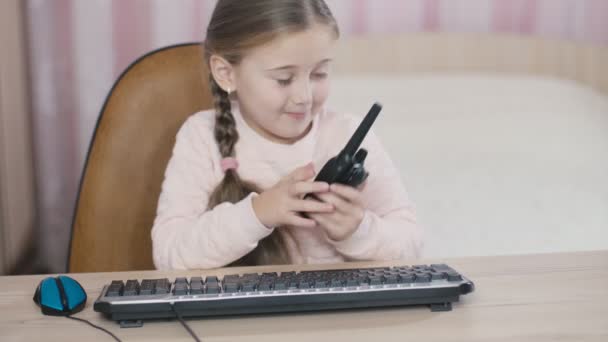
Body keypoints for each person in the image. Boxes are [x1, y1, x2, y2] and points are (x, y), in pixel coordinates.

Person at [152, 0, 423, 270]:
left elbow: (411, 243)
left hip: (337, 312)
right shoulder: (201, 137)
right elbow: (169, 255)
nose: (304, 97)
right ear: (226, 74)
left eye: (319, 74)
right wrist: (257, 214)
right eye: (283, 79)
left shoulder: (345, 133)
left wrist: (357, 230)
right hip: (241, 314)